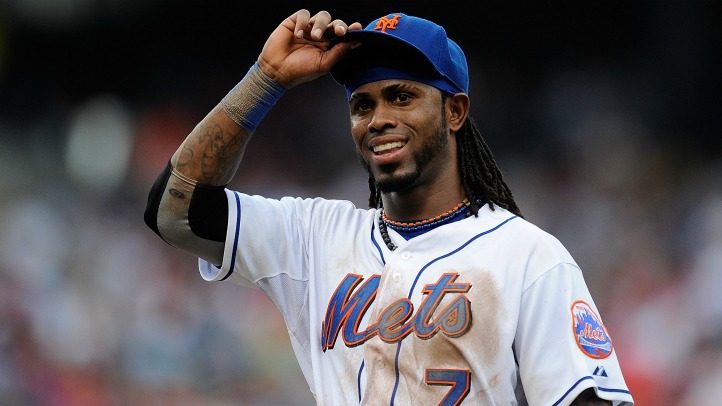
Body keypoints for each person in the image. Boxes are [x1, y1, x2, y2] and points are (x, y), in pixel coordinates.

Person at [144, 9, 634, 405]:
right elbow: (175, 211)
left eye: (401, 97)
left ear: (454, 111)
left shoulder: (528, 257)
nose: (378, 119)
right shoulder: (313, 237)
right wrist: (266, 79)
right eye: (363, 104)